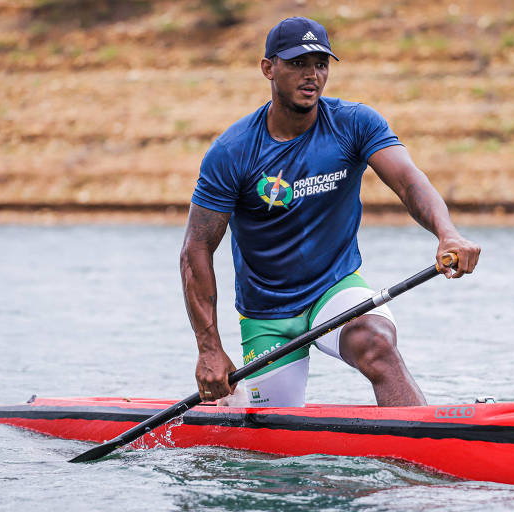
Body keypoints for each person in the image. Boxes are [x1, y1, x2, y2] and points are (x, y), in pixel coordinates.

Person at [180, 16, 480, 408]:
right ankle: (229, 404)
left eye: (321, 64)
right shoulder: (232, 152)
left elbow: (408, 180)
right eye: (298, 64)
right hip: (266, 311)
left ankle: (425, 455)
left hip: (333, 288)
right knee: (268, 448)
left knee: (376, 344)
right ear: (268, 68)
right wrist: (209, 349)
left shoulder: (354, 124)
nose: (313, 76)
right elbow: (196, 250)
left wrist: (448, 233)